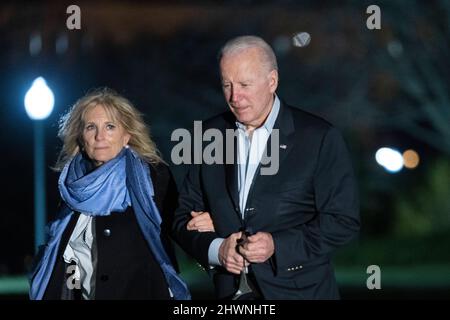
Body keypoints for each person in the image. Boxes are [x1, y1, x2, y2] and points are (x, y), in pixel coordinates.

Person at [173, 35, 360, 300]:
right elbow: (182, 219)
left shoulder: (318, 138)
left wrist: (277, 245)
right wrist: (218, 249)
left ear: (272, 81)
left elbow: (343, 221)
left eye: (245, 84)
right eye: (227, 84)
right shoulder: (206, 136)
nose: (234, 96)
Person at [29, 88, 190, 300]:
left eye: (110, 127)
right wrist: (71, 292)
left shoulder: (152, 176)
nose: (99, 136)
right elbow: (72, 260)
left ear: (127, 136)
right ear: (80, 136)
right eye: (91, 127)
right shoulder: (71, 186)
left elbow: (181, 224)